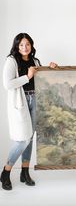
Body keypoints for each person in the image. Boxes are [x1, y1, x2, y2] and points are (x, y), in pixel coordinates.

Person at [1, 33, 58, 190]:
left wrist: (51, 68)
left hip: (35, 100)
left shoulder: (35, 61)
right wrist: (27, 76)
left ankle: (24, 172)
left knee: (30, 138)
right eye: (21, 45)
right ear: (16, 46)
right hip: (21, 102)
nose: (24, 47)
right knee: (22, 139)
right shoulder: (11, 61)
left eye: (27, 44)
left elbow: (43, 79)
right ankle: (6, 172)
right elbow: (7, 84)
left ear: (31, 45)